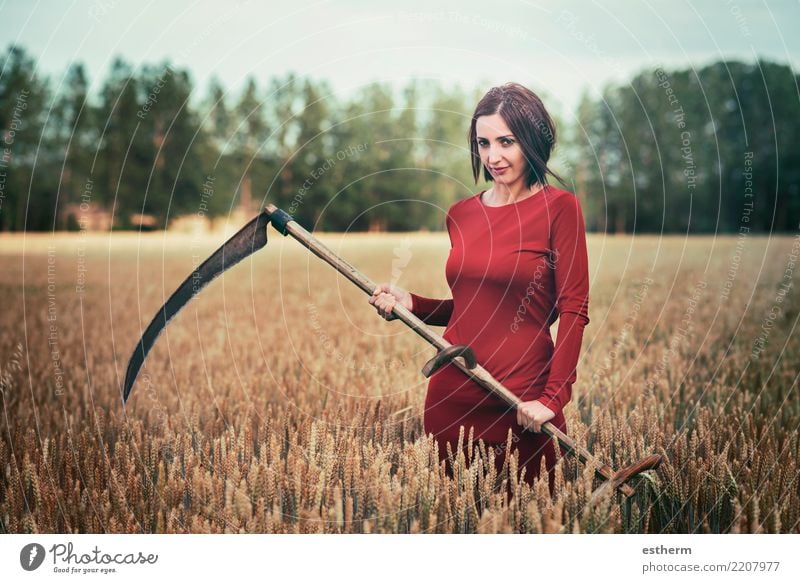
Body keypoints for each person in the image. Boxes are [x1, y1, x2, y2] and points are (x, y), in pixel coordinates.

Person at [368, 82, 590, 493]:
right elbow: (477, 307)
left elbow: (574, 310)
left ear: (533, 139)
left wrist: (551, 399)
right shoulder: (461, 215)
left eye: (506, 141)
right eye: (483, 143)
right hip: (451, 398)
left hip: (523, 400)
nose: (493, 156)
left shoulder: (560, 209)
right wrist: (412, 303)